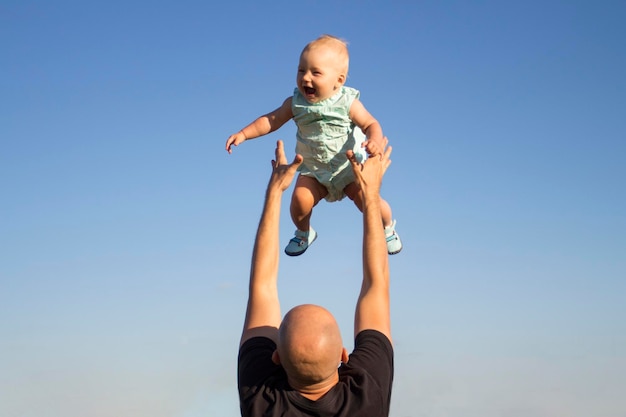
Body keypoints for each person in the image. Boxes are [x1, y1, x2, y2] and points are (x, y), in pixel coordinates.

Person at [238, 139, 394, 417]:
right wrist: (370, 196)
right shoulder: (368, 395)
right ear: (343, 356)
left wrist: (275, 193)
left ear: (276, 358)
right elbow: (376, 285)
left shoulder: (260, 400)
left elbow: (262, 288)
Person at [225, 34, 402, 256]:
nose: (306, 78)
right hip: (313, 171)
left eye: (316, 72)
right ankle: (303, 231)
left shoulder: (348, 102)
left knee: (370, 202)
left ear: (339, 80)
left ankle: (386, 228)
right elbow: (271, 120)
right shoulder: (296, 102)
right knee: (299, 200)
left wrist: (374, 140)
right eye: (301, 71)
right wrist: (244, 134)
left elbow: (370, 123)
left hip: (348, 170)